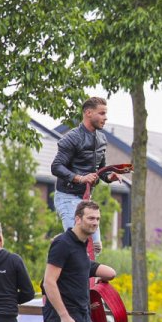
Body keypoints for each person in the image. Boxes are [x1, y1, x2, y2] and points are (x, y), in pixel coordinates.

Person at [50, 96, 115, 256]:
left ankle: (86, 278)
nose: (105, 118)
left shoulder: (101, 139)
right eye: (101, 113)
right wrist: (81, 178)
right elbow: (56, 167)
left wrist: (110, 176)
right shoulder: (72, 138)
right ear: (88, 113)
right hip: (67, 197)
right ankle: (60, 251)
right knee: (79, 245)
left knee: (96, 247)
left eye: (105, 114)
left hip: (85, 199)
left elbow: (102, 171)